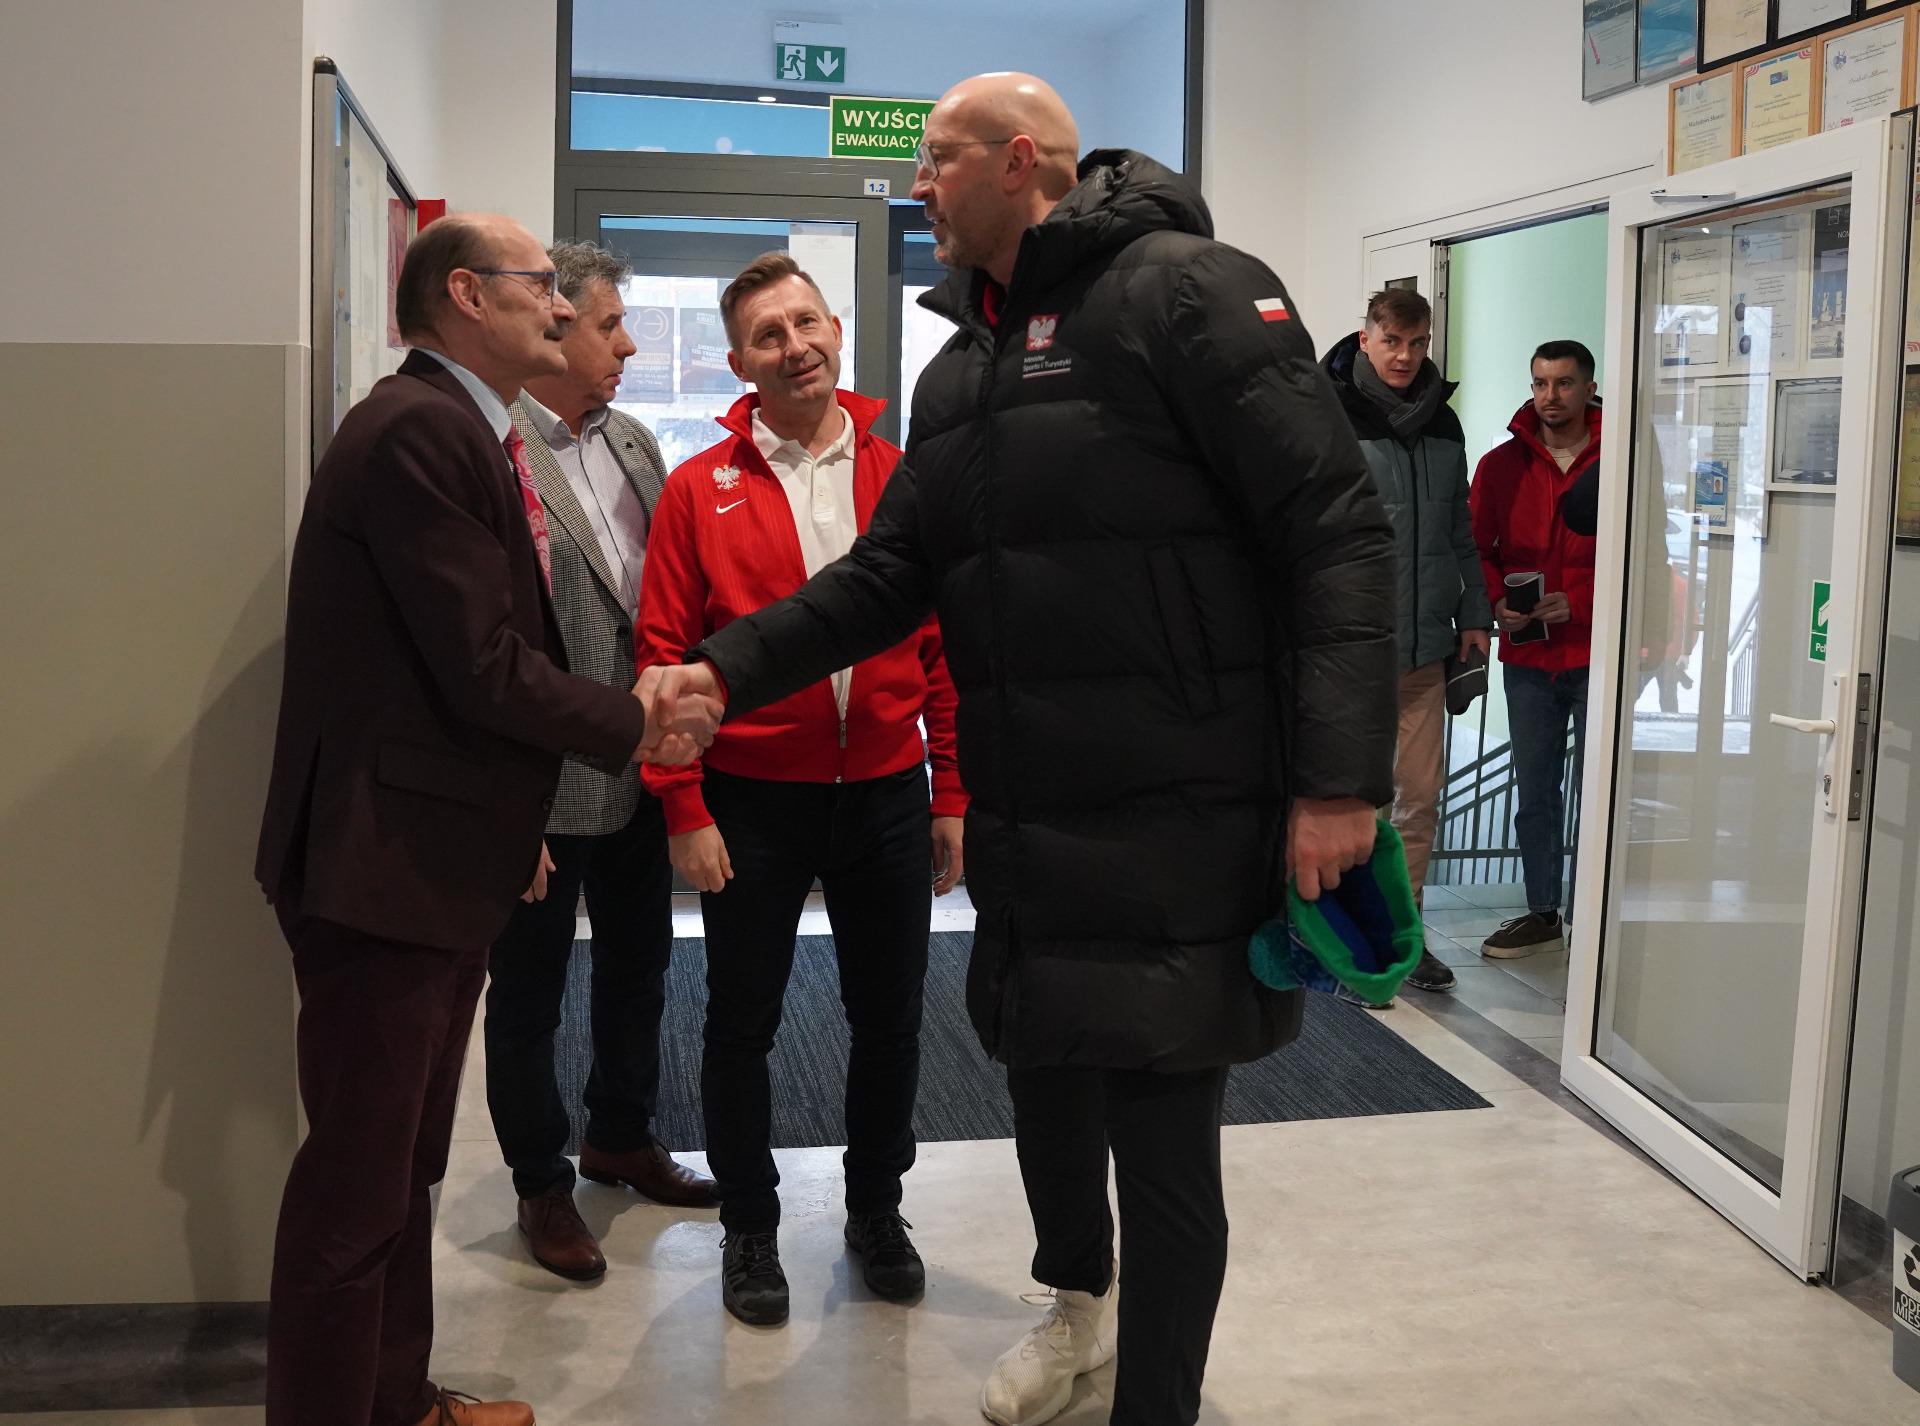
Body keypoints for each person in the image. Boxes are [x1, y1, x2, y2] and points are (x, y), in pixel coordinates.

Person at [641, 74, 1395, 1426]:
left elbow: (1334, 529)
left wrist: (1339, 780)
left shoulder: (1191, 293)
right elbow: (890, 575)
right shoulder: (965, 370)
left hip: (1180, 807)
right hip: (1032, 821)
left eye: (935, 161)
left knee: (1162, 1143)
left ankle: (1154, 1403)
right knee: (1045, 1087)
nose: (916, 187)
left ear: (1018, 160)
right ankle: (1076, 1315)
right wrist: (724, 669)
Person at [253, 213, 715, 1426]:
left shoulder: (461, 425)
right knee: (355, 1194)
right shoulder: (419, 429)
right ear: (465, 294)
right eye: (542, 288)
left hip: (427, 859)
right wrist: (635, 722)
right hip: (381, 870)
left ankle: (397, 1400)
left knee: (399, 1171)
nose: (563, 310)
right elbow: (482, 666)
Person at [635, 252, 968, 1327]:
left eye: (806, 323)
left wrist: (951, 794)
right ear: (739, 363)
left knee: (892, 1020)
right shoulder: (699, 489)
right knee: (741, 1023)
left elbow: (942, 649)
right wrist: (683, 806)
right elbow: (663, 655)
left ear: (836, 328)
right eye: (768, 336)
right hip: (752, 803)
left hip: (885, 794)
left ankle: (877, 1209)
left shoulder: (902, 475)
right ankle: (749, 1226)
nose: (795, 348)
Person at [485, 240, 717, 1288]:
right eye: (612, 325)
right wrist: (508, 805)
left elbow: (659, 601)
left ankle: (621, 1134)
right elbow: (490, 645)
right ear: (558, 323)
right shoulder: (496, 450)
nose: (629, 345)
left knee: (641, 963)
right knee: (531, 989)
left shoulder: (632, 441)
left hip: (640, 763)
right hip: (544, 775)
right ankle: (541, 1179)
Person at [1323, 288, 1492, 1001]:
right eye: (1392, 341)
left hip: (1426, 648)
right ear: (1366, 339)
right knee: (1348, 802)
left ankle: (1405, 936)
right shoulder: (1326, 413)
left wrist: (1475, 612)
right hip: (1349, 651)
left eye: (1417, 343)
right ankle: (1338, 935)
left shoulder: (1443, 423)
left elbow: (1459, 527)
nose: (1405, 356)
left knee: (1419, 799)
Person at [1469, 339, 1600, 959]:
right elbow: (1477, 550)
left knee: (1601, 792)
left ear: (1589, 388)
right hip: (1528, 659)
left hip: (1599, 654)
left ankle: (1596, 916)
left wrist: (1581, 600)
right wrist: (1496, 602)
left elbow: (1647, 549)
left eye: (1565, 383)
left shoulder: (1621, 458)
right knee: (1536, 795)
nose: (1551, 396)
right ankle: (1543, 912)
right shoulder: (1500, 466)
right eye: (1541, 383)